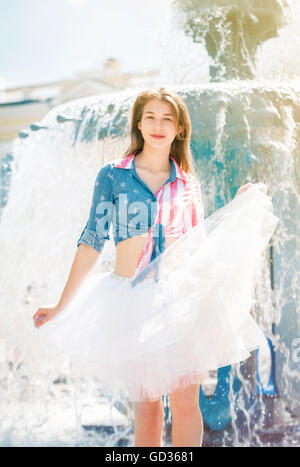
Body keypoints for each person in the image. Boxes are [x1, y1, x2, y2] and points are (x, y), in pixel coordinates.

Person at [32, 87, 279, 447]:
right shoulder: (113, 176)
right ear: (139, 123)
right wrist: (60, 305)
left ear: (180, 129)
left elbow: (196, 247)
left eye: (167, 118)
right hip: (132, 303)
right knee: (147, 413)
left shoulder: (187, 183)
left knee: (186, 404)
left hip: (181, 303)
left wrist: (237, 213)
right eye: (150, 116)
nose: (158, 125)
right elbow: (91, 241)